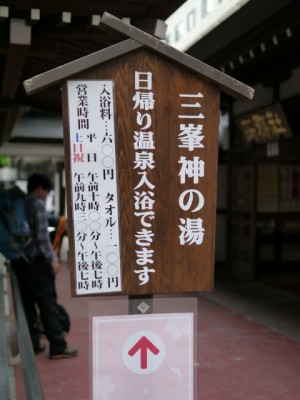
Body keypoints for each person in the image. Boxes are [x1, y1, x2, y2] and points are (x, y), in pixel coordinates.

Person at [11, 173, 78, 359]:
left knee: (27, 304)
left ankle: (32, 344)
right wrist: (53, 260)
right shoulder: (37, 205)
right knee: (47, 302)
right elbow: (42, 238)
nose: (46, 196)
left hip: (20, 261)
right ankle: (57, 345)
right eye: (46, 191)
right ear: (40, 189)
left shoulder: (22, 203)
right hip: (37, 263)